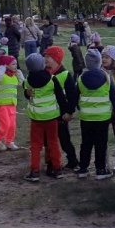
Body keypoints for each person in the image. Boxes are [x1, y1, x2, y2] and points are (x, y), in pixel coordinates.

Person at [75, 49, 115, 180]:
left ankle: (83, 169)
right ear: (99, 61)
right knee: (101, 143)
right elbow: (114, 96)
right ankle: (100, 170)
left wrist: (74, 109)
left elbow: (75, 96)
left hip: (86, 117)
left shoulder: (80, 78)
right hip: (102, 118)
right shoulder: (107, 78)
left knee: (86, 143)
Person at [23, 53, 69, 182]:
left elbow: (27, 94)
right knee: (53, 143)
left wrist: (27, 94)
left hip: (36, 118)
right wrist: (64, 112)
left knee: (36, 145)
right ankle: (57, 169)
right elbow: (61, 97)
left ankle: (34, 171)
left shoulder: (27, 81)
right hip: (51, 117)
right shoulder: (52, 79)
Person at [44, 46, 79, 172]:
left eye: (48, 57)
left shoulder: (65, 74)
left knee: (64, 139)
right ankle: (50, 162)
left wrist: (69, 112)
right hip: (47, 113)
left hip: (61, 114)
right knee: (47, 140)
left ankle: (73, 160)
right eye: (45, 56)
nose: (45, 59)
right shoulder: (44, 73)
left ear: (56, 59)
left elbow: (72, 96)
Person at [0, 55, 21, 152]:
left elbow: (21, 83)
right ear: (6, 65)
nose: (16, 66)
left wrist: (19, 74)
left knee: (12, 125)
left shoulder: (13, 75)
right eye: (13, 64)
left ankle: (9, 141)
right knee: (5, 125)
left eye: (16, 64)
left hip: (12, 104)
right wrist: (2, 67)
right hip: (1, 105)